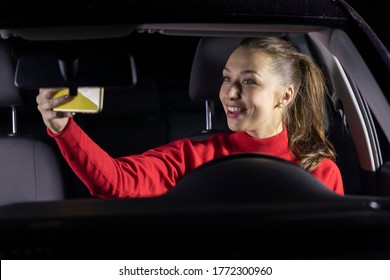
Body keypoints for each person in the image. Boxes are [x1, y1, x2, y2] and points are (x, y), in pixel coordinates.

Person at [36, 36, 344, 198]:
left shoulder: (319, 172)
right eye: (226, 78)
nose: (230, 93)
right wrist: (64, 128)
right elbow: (115, 182)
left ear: (285, 95)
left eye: (248, 81)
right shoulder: (192, 157)